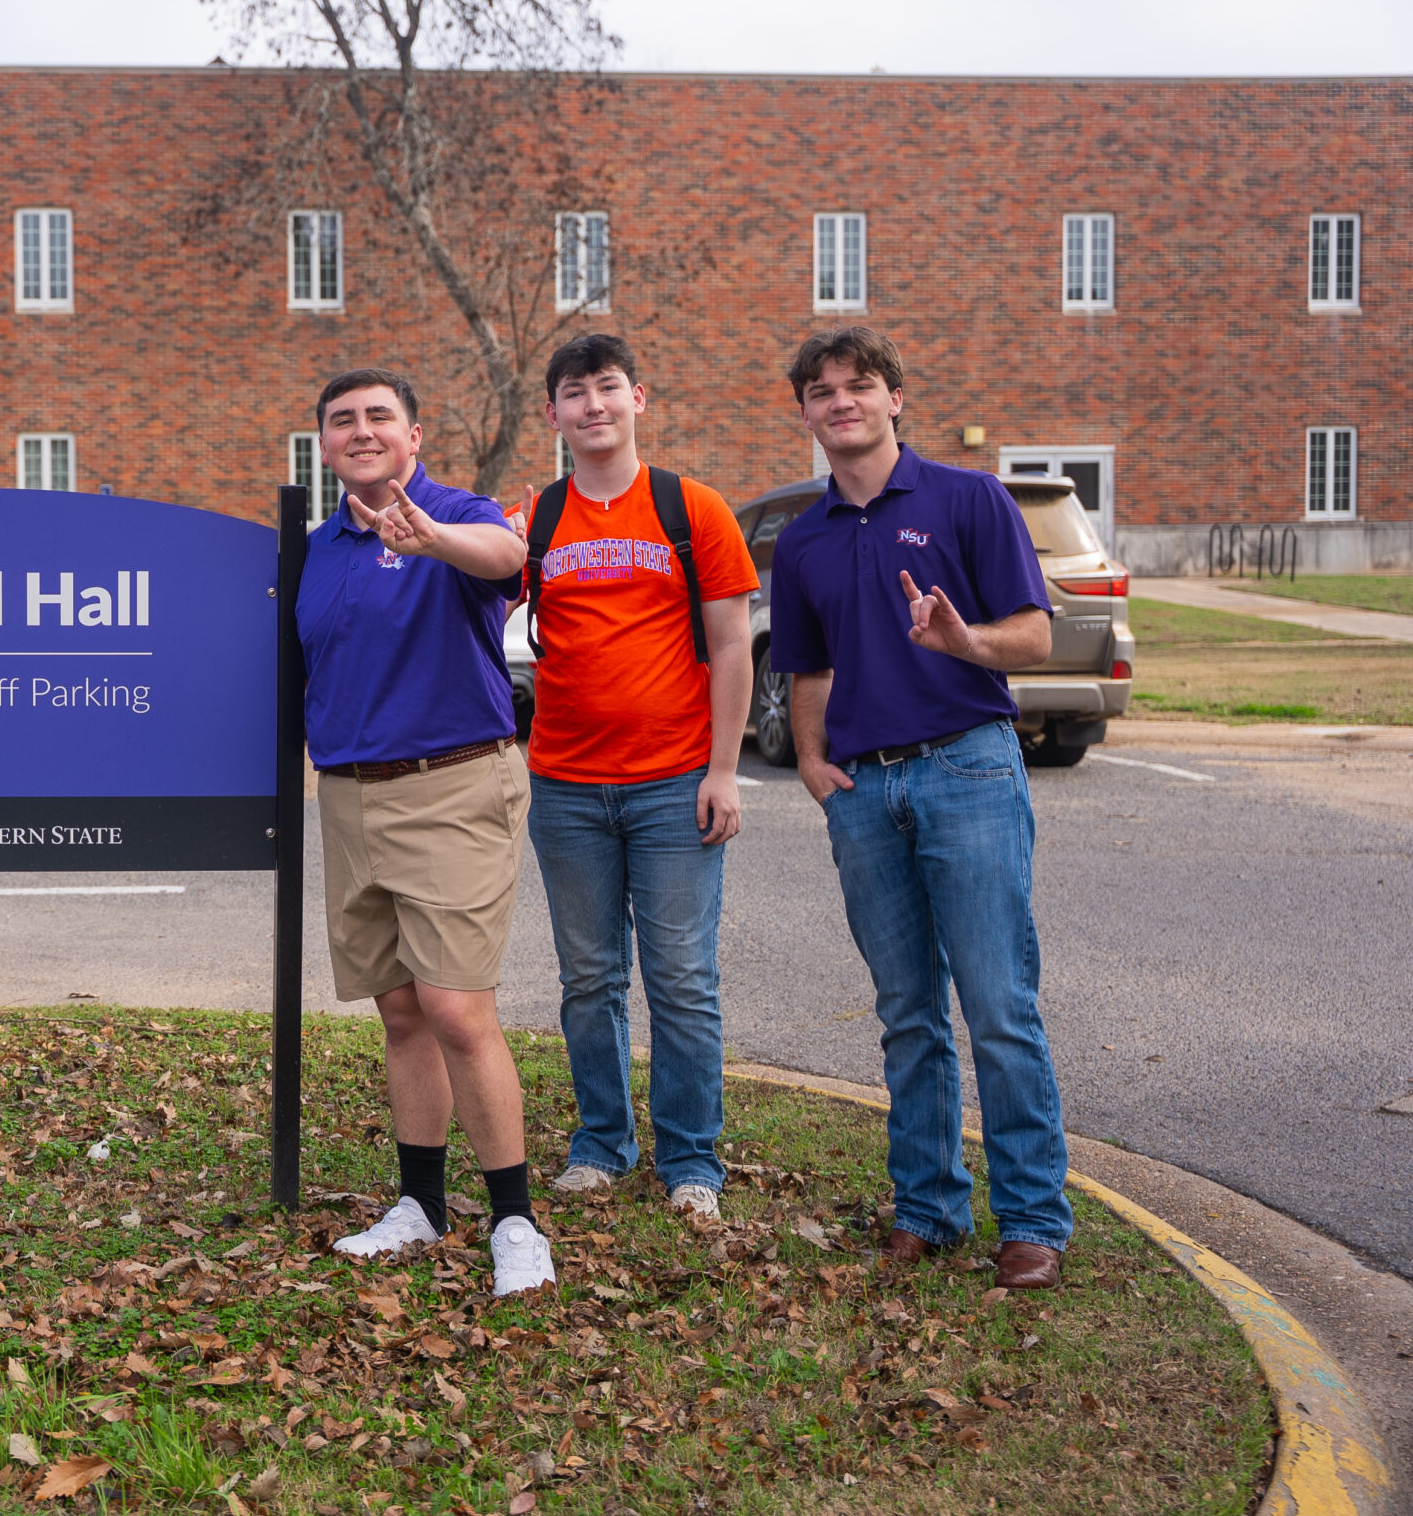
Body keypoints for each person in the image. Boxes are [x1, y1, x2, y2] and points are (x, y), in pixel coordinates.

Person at [766, 325, 1071, 1291]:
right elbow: (804, 667)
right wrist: (812, 761)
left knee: (997, 1005)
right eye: (821, 392)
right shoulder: (806, 537)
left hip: (967, 768)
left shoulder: (967, 500)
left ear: (896, 398)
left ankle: (1030, 1219)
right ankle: (929, 1208)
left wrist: (962, 641)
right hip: (864, 790)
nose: (840, 403)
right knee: (907, 1012)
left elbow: (1034, 640)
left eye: (859, 386)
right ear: (806, 412)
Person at [296, 367, 554, 1298]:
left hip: (451, 786)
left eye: (379, 417)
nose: (361, 431)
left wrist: (433, 537)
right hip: (351, 798)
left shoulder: (456, 513)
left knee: (455, 1009)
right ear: (324, 443)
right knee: (400, 1011)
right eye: (342, 421)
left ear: (413, 433)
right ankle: (420, 1204)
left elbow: (504, 555)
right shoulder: (318, 549)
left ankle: (515, 1220)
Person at [509, 335, 756, 1221]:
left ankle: (692, 1160)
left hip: (672, 783)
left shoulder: (693, 511)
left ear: (638, 398)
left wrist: (724, 770)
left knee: (683, 977)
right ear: (554, 415)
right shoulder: (533, 519)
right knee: (589, 979)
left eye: (608, 389)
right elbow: (476, 608)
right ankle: (601, 1145)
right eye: (574, 394)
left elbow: (732, 646)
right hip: (567, 787)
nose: (593, 407)